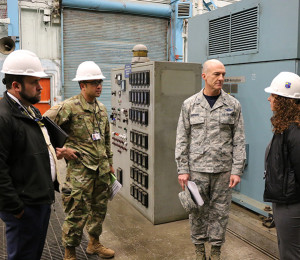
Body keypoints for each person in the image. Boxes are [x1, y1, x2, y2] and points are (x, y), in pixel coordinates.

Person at [175, 59, 246, 260]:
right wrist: (182, 169)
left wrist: (236, 170)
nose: (221, 78)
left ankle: (215, 251)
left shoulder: (233, 105)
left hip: (223, 171)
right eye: (216, 74)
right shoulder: (189, 105)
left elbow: (239, 140)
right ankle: (199, 249)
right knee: (196, 211)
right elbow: (182, 138)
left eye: (223, 74)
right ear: (204, 76)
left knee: (220, 213)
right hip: (196, 171)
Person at [44, 61, 115, 260]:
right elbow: (43, 125)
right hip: (80, 172)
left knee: (99, 210)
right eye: (94, 83)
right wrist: (59, 150)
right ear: (82, 85)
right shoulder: (69, 107)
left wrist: (109, 163)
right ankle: (70, 252)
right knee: (77, 212)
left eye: (100, 82)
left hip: (100, 171)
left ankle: (94, 243)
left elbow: (106, 138)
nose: (99, 86)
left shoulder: (101, 108)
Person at [0, 50, 59, 260]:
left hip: (39, 199)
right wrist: (15, 208)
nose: (40, 86)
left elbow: (32, 144)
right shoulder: (4, 117)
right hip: (24, 207)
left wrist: (54, 151)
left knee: (32, 253)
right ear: (16, 86)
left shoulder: (29, 110)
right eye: (34, 82)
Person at [263, 72, 300, 260]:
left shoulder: (295, 131)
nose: (269, 98)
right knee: (285, 247)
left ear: (284, 101)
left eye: (273, 95)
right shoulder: (285, 126)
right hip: (283, 199)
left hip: (292, 204)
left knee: (291, 252)